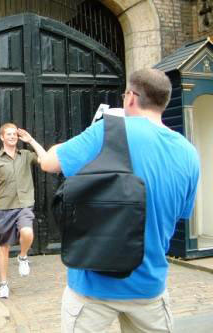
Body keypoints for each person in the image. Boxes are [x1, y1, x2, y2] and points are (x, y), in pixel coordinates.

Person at [40, 68, 200, 332]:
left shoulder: (106, 131)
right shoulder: (189, 153)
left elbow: (49, 163)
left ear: (131, 97)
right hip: (149, 287)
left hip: (92, 287)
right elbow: (181, 213)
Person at [0, 123, 46, 298]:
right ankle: (3, 284)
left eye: (14, 134)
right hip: (3, 206)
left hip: (24, 204)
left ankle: (23, 256)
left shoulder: (26, 155)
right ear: (2, 137)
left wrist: (31, 140)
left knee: (27, 232)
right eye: (8, 134)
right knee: (3, 246)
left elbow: (45, 159)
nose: (12, 136)